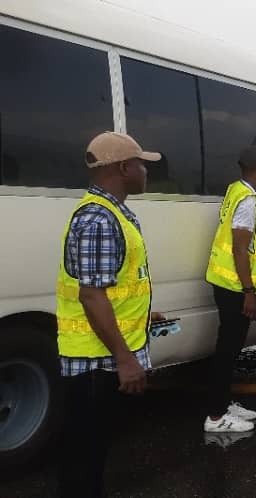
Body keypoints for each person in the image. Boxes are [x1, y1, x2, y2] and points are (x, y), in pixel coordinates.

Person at [56, 132, 162, 497]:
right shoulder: (99, 219)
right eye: (141, 164)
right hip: (94, 361)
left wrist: (145, 313)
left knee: (91, 452)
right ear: (123, 167)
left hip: (100, 356)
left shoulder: (111, 211)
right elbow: (91, 295)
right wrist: (124, 359)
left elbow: (111, 286)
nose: (146, 170)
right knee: (84, 459)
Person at [204, 145, 256, 433]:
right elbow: (239, 248)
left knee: (231, 349)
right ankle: (216, 416)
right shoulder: (247, 200)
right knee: (227, 350)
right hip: (234, 286)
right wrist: (249, 292)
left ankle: (223, 403)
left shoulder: (236, 190)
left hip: (228, 283)